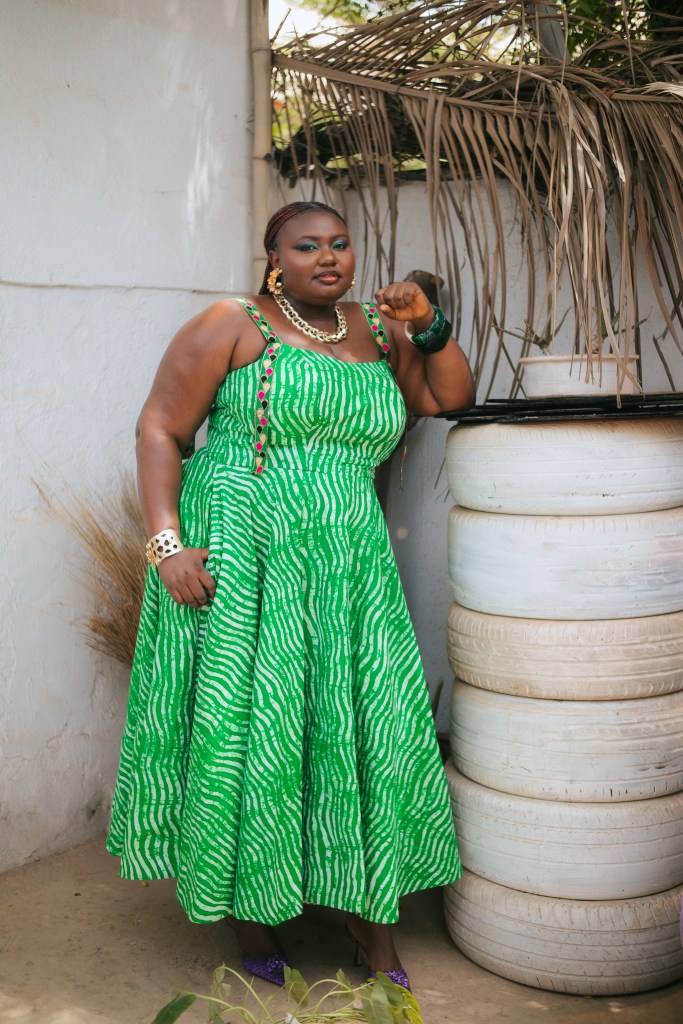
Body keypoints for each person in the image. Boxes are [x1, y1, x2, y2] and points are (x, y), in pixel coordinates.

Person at [106, 200, 475, 991]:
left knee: (359, 725)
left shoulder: (379, 330)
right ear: (274, 256)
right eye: (306, 246)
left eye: (339, 243)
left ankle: (370, 920)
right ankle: (252, 915)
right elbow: (159, 429)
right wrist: (167, 546)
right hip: (243, 553)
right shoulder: (231, 323)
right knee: (252, 724)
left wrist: (428, 324)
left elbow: (446, 399)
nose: (328, 256)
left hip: (348, 564)